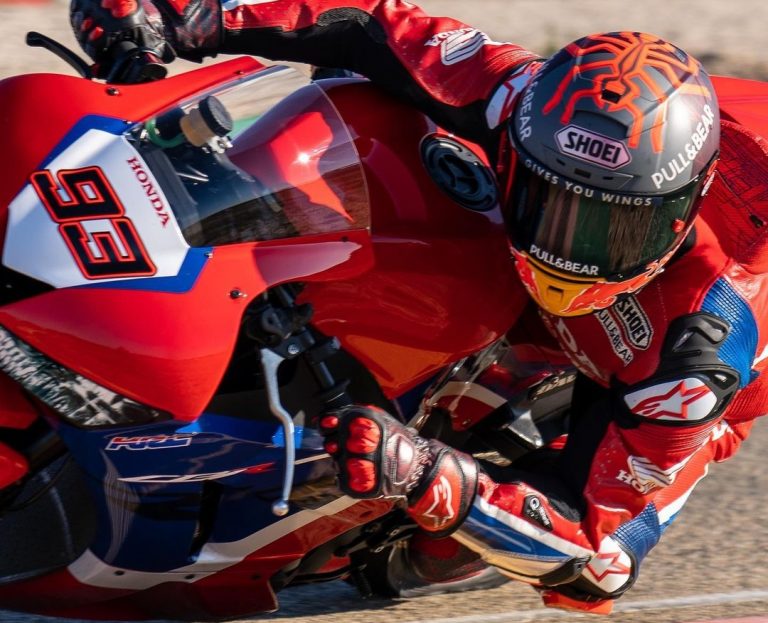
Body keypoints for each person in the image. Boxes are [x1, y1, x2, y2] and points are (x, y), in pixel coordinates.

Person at [69, 0, 768, 614]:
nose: (568, 248)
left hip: (658, 370)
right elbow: (375, 24)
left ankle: (408, 528)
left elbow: (599, 558)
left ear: (683, 208)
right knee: (386, 125)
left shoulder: (700, 350)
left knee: (454, 551)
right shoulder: (520, 97)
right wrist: (189, 15)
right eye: (551, 201)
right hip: (548, 227)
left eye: (613, 229)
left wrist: (430, 478)